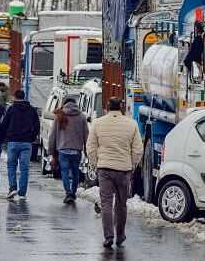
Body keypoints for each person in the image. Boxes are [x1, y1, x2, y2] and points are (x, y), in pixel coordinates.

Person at [86, 97, 143, 248]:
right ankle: (121, 234)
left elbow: (90, 146)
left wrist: (97, 163)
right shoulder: (131, 124)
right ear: (122, 108)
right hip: (124, 170)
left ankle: (108, 236)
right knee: (121, 204)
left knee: (106, 203)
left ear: (107, 106)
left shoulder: (98, 123)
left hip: (105, 169)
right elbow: (138, 149)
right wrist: (132, 164)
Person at [48, 98, 89, 204]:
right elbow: (86, 134)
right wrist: (86, 150)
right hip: (76, 150)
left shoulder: (59, 116)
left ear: (64, 105)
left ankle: (68, 192)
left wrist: (51, 150)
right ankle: (73, 193)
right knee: (76, 173)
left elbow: (53, 135)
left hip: (63, 150)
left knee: (64, 172)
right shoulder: (82, 116)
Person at [2, 89, 40, 200]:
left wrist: (6, 137)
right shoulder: (32, 110)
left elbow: (4, 124)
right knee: (24, 168)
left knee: (11, 166)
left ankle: (12, 188)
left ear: (14, 97)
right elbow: (37, 126)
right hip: (26, 143)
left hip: (13, 141)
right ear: (24, 97)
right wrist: (31, 137)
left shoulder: (11, 109)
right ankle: (22, 192)